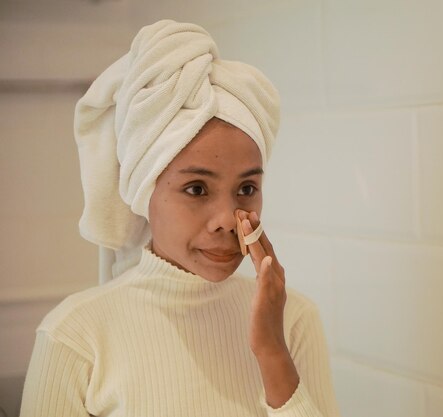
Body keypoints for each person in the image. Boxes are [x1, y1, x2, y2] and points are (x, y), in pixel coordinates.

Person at [20, 19, 340, 417]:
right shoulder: (74, 335)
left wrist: (272, 351)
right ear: (144, 191)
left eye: (246, 189)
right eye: (196, 189)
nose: (227, 219)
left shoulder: (293, 319)